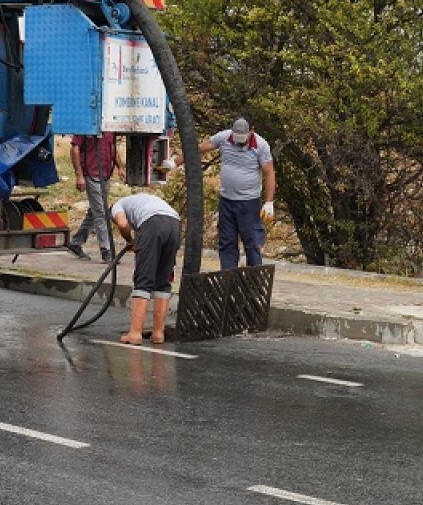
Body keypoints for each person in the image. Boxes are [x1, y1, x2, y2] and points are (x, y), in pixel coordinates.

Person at [198, 117, 276, 270]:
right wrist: (174, 162)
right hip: (227, 201)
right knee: (226, 242)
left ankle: (254, 282)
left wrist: (269, 202)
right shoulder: (224, 137)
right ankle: (228, 279)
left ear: (251, 131)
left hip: (249, 203)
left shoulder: (261, 145)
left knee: (252, 243)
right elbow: (199, 148)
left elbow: (269, 173)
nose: (239, 141)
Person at [111, 192, 182, 345]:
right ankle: (158, 334)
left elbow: (123, 224)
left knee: (143, 278)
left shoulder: (117, 206)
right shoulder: (139, 201)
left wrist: (129, 240)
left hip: (153, 224)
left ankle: (135, 334)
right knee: (163, 280)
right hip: (175, 224)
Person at [67, 131, 119, 262]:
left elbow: (112, 147)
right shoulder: (85, 126)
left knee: (95, 211)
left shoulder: (109, 127)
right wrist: (79, 175)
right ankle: (106, 250)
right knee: (101, 212)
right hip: (90, 174)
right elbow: (74, 149)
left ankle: (76, 242)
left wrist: (120, 167)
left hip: (105, 175)